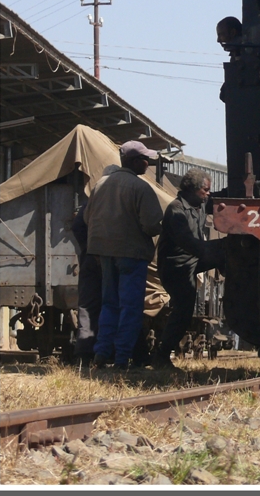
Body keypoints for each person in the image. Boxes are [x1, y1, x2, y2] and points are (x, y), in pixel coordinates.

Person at [84, 140, 164, 370]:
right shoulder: (140, 188)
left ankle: (101, 355)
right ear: (134, 161)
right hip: (131, 254)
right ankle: (122, 359)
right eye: (144, 159)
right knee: (130, 307)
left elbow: (88, 218)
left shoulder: (101, 185)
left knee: (109, 304)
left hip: (104, 254)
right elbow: (152, 225)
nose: (148, 163)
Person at [152, 168, 226, 369]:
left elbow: (221, 199)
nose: (208, 193)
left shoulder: (199, 203)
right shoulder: (176, 210)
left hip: (192, 260)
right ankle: (162, 355)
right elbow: (189, 243)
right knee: (183, 311)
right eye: (205, 190)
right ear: (192, 190)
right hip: (175, 267)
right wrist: (215, 252)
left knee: (228, 249)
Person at [70, 164, 122, 365]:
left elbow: (76, 226)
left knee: (88, 304)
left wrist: (87, 248)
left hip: (90, 258)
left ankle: (84, 351)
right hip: (110, 259)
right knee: (114, 303)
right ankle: (110, 350)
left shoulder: (93, 198)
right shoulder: (117, 201)